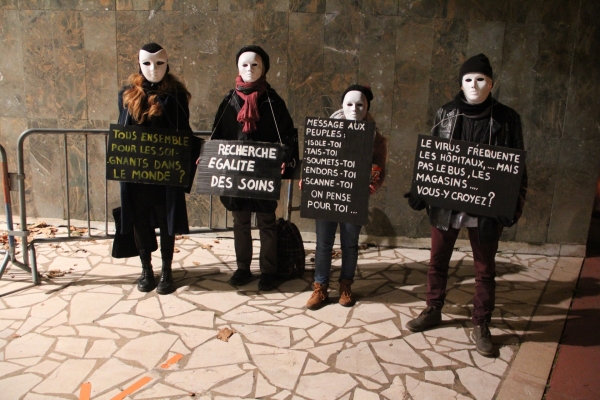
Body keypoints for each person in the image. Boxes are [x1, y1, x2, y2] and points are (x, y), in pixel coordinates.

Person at [405, 54, 527, 357]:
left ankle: (481, 322)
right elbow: (433, 156)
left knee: (485, 269)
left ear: (492, 83)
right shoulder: (445, 114)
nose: (474, 85)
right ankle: (433, 308)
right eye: (468, 79)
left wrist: (513, 205)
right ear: (460, 83)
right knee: (437, 261)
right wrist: (420, 188)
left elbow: (518, 168)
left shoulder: (507, 118)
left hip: (486, 208)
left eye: (481, 79)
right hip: (447, 205)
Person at [210, 45, 296, 291]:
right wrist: (208, 158)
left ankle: (268, 270)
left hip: (263, 173)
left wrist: (284, 156)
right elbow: (217, 134)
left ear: (264, 68)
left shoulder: (273, 101)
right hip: (237, 173)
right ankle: (243, 268)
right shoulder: (230, 100)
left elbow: (287, 135)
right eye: (244, 65)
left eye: (255, 65)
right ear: (238, 67)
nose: (249, 69)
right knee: (240, 221)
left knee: (266, 221)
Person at [118, 43, 193, 295]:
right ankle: (146, 269)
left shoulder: (176, 96)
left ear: (167, 63)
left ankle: (167, 270)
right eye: (147, 63)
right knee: (139, 220)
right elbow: (123, 129)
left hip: (165, 172)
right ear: (138, 64)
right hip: (138, 174)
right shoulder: (127, 95)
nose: (153, 69)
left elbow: (184, 130)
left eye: (159, 63)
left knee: (166, 220)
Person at [305, 85, 388, 309]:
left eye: (360, 105)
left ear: (367, 106)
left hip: (353, 197)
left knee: (350, 244)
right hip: (326, 194)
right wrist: (308, 178)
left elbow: (379, 165)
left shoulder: (375, 137)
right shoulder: (325, 130)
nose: (354, 109)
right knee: (323, 244)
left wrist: (373, 182)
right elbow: (314, 158)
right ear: (341, 105)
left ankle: (345, 285)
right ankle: (320, 287)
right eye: (349, 104)